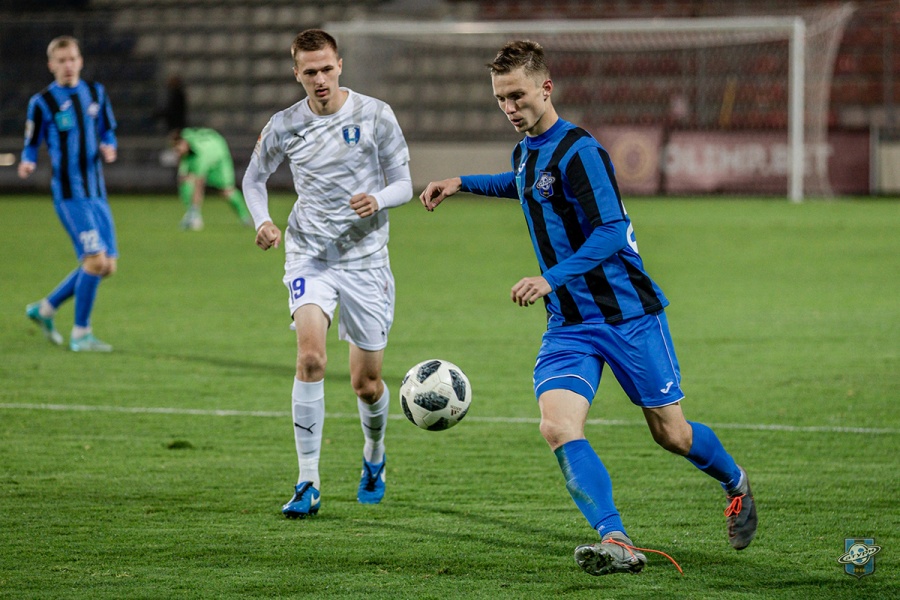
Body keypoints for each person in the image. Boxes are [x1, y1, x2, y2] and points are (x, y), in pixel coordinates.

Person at [419, 40, 757, 576]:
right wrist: (462, 182)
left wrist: (549, 278)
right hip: (570, 325)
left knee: (672, 434)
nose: (509, 107)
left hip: (628, 315)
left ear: (546, 88)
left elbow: (611, 231)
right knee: (557, 426)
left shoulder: (582, 151)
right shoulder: (526, 152)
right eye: (500, 98)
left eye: (517, 95)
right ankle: (616, 538)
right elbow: (525, 186)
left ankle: (735, 483)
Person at [242, 29, 412, 518]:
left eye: (326, 69)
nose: (319, 79)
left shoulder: (375, 114)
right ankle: (308, 480)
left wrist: (377, 198)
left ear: (340, 66)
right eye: (309, 71)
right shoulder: (284, 125)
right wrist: (263, 221)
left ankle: (374, 454)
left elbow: (404, 182)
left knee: (367, 384)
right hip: (310, 256)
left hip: (366, 262)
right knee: (311, 358)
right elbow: (254, 179)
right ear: (296, 73)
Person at [19, 35, 118, 352]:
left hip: (96, 193)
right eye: (61, 61)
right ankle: (81, 334)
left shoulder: (96, 93)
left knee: (107, 266)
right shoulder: (42, 102)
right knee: (95, 261)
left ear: (80, 61)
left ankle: (45, 308)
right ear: (51, 65)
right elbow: (31, 143)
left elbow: (108, 130)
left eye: (72, 59)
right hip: (70, 194)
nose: (68, 65)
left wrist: (109, 146)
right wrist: (28, 161)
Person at [171, 127, 252, 230]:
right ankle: (191, 215)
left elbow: (199, 186)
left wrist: (195, 207)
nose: (176, 152)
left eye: (178, 148)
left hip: (218, 156)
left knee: (226, 191)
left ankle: (245, 218)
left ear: (185, 143)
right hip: (206, 147)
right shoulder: (185, 138)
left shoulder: (200, 156)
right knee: (184, 180)